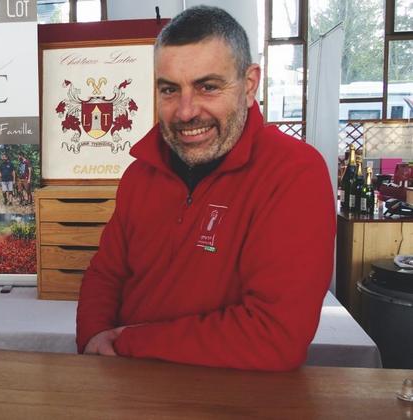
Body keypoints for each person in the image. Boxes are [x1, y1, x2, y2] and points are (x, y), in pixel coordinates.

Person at [76, 6, 335, 372]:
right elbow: (106, 274)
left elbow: (275, 336)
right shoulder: (140, 174)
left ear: (249, 85)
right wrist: (93, 337)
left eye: (207, 87)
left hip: (234, 400)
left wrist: (124, 342)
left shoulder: (293, 173)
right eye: (170, 90)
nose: (185, 112)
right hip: (128, 389)